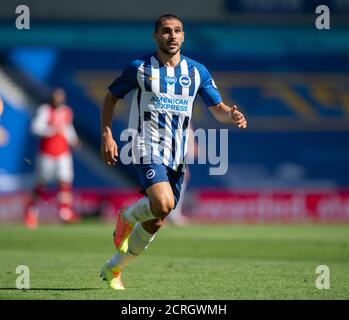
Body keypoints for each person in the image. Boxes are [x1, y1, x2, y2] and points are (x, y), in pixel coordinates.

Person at [100, 14, 247, 290]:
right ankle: (127, 216)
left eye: (178, 31)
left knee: (156, 220)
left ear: (184, 36)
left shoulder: (197, 72)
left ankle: (114, 267)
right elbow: (111, 98)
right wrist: (107, 134)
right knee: (165, 203)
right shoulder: (140, 68)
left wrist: (233, 115)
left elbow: (219, 109)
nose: (172, 35)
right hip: (146, 145)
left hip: (177, 155)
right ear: (156, 36)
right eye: (166, 31)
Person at [25, 88, 80, 229]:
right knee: (41, 183)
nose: (58, 99)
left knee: (65, 181)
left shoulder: (67, 111)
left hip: (63, 152)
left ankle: (64, 212)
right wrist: (51, 129)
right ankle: (32, 212)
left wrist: (73, 140)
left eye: (60, 97)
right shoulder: (45, 110)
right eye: (56, 97)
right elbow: (35, 127)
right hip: (46, 153)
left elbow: (68, 128)